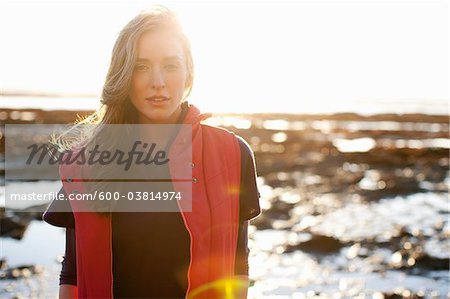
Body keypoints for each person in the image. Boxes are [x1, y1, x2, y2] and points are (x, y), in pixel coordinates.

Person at [42, 5, 261, 299]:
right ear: (124, 75)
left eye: (171, 65)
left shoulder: (232, 154)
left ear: (188, 73)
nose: (157, 81)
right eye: (141, 66)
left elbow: (238, 263)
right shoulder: (86, 162)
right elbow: (73, 271)